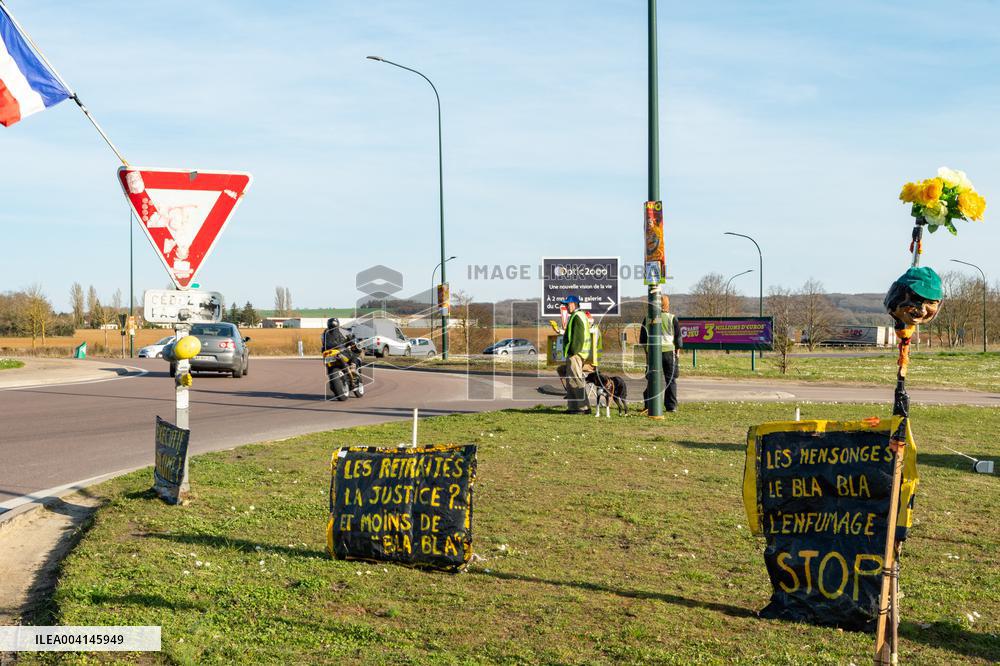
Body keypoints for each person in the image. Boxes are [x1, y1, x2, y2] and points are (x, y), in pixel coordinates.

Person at [640, 294, 682, 412]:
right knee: (670, 380)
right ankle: (671, 406)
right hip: (669, 352)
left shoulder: (647, 318)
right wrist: (677, 353)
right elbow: (678, 340)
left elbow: (643, 339)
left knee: (652, 379)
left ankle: (649, 404)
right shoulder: (672, 318)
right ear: (667, 305)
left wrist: (647, 354)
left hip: (653, 352)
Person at [555, 295, 591, 414]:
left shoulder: (577, 316)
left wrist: (572, 351)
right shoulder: (578, 315)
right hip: (576, 354)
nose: (566, 306)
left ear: (573, 304)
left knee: (575, 380)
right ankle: (573, 407)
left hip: (576, 354)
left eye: (567, 304)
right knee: (571, 381)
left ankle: (583, 408)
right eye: (565, 304)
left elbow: (578, 337)